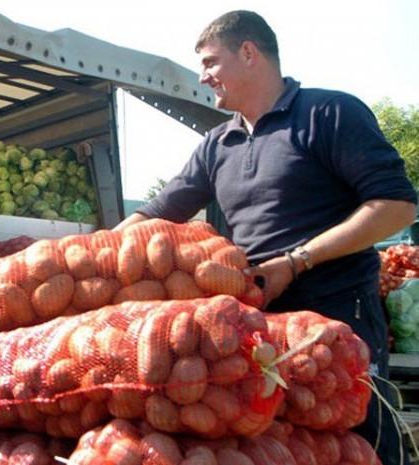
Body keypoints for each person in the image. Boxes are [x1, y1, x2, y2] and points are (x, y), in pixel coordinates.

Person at [115, 10, 416, 465]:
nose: (204, 77)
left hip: (337, 316)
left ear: (249, 53)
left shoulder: (328, 113)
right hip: (258, 331)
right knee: (285, 447)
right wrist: (76, 255)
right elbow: (159, 212)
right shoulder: (219, 144)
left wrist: (296, 261)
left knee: (361, 439)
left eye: (211, 62)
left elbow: (396, 204)